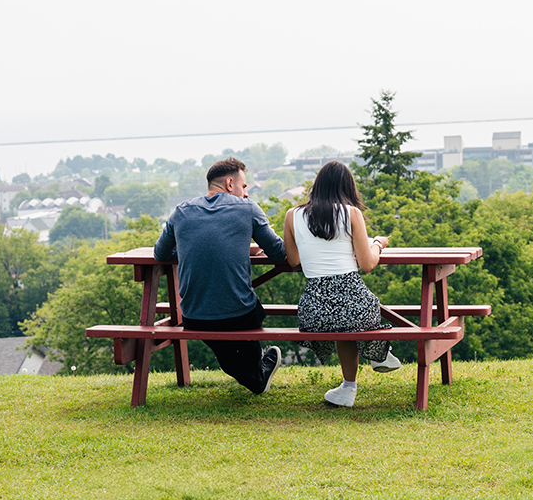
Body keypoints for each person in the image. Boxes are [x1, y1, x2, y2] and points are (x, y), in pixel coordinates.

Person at [154, 157, 285, 395]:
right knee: (252, 312)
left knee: (225, 338)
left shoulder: (181, 212)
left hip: (193, 316)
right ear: (229, 183)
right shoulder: (248, 208)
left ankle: (255, 375)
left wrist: (188, 248)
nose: (245, 193)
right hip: (240, 316)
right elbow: (278, 252)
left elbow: (160, 253)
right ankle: (256, 375)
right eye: (244, 187)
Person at [283, 160, 401, 407]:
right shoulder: (351, 214)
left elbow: (294, 260)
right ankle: (378, 353)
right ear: (347, 187)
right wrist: (378, 243)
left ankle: (349, 388)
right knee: (361, 309)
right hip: (353, 305)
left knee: (342, 319)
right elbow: (367, 264)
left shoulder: (292, 215)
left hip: (314, 310)